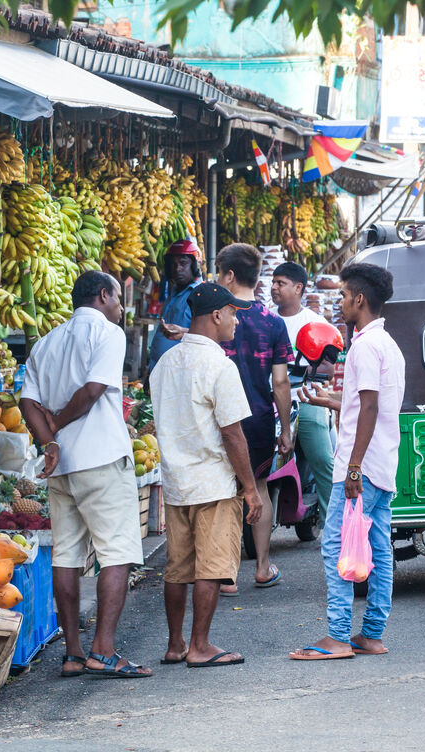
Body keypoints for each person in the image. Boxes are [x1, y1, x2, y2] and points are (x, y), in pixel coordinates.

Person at [18, 271, 151, 679]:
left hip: (63, 467)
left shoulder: (46, 342)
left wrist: (50, 442)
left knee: (67, 556)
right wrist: (57, 422)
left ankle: (74, 652)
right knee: (117, 553)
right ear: (103, 295)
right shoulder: (108, 334)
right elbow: (94, 390)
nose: (120, 306)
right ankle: (104, 650)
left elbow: (25, 402)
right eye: (117, 296)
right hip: (103, 458)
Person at [290, 263, 405, 661]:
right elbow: (366, 405)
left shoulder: (365, 347)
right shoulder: (387, 344)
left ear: (359, 299)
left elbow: (370, 407)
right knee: (377, 548)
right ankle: (370, 634)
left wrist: (353, 466)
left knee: (336, 545)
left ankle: (338, 636)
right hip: (381, 464)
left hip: (362, 468)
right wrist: (328, 400)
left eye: (342, 296)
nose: (339, 303)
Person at [151, 283, 265, 668]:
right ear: (216, 315)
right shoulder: (219, 365)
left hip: (177, 482)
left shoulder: (164, 364)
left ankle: (175, 643)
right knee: (212, 566)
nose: (236, 320)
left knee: (177, 567)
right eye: (233, 313)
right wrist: (250, 489)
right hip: (213, 482)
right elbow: (232, 433)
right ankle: (200, 646)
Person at [215, 243, 293, 593]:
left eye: (219, 273)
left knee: (226, 494)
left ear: (229, 275)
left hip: (219, 419)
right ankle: (262, 567)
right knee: (258, 487)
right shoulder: (273, 322)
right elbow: (280, 381)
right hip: (258, 419)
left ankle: (226, 575)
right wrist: (286, 429)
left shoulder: (214, 316)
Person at [270, 262, 336, 531]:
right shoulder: (264, 319)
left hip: (306, 400)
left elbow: (329, 368)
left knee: (323, 461)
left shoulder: (315, 323)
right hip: (269, 401)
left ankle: (335, 526)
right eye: (273, 282)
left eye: (281, 283)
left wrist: (305, 367)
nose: (274, 287)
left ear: (298, 288)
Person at [147, 239, 204, 372]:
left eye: (183, 263)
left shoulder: (201, 295)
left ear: (195, 265)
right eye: (173, 264)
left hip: (181, 373)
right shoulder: (174, 293)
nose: (177, 269)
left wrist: (183, 332)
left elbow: (207, 337)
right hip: (160, 371)